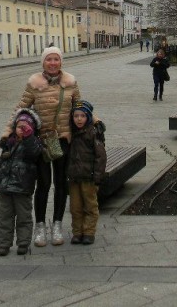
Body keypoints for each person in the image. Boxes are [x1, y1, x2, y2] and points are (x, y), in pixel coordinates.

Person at [2, 46, 80, 248]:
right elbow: (20, 108)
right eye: (49, 59)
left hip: (63, 140)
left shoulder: (70, 82)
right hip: (41, 142)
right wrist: (8, 132)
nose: (53, 63)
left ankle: (57, 225)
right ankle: (39, 226)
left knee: (61, 184)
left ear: (61, 61)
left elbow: (80, 107)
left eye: (56, 59)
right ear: (43, 62)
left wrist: (95, 121)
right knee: (43, 185)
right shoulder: (34, 83)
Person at [0, 108, 43, 256]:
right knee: (4, 218)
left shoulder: (33, 143)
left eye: (25, 127)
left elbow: (34, 153)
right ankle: (4, 244)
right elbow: (0, 164)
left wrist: (29, 137)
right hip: (5, 188)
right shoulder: (9, 143)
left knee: (23, 217)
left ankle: (23, 243)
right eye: (18, 127)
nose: (21, 130)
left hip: (22, 188)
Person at [67, 100, 107, 245]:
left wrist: (97, 176)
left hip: (89, 177)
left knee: (90, 206)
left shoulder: (93, 133)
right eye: (76, 116)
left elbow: (100, 156)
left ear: (88, 117)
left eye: (82, 116)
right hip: (74, 178)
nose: (79, 119)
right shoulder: (70, 133)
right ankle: (77, 232)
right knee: (75, 207)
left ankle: (89, 232)